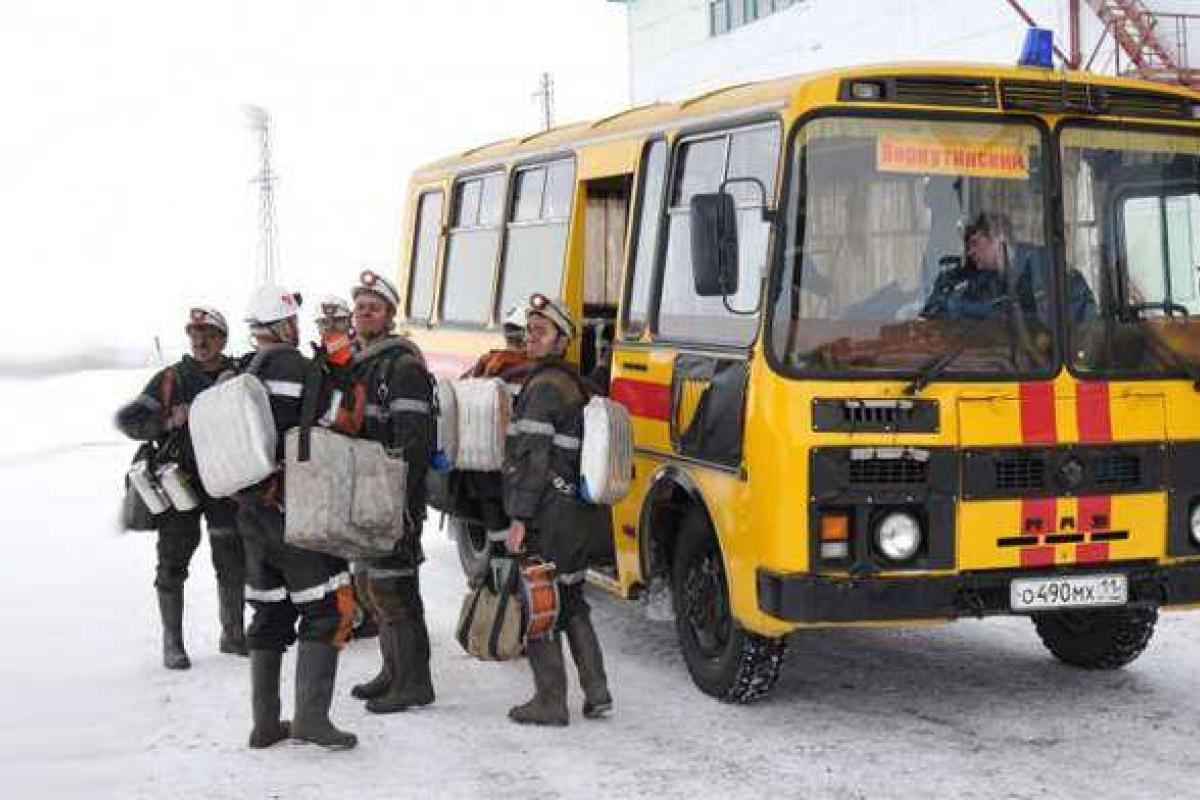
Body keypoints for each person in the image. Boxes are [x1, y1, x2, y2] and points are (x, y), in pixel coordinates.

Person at [237, 285, 357, 750]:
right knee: (325, 609)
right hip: (295, 511)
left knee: (268, 614)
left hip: (250, 513)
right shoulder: (300, 368)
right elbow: (342, 419)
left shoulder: (241, 372)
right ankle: (311, 720)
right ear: (286, 324)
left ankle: (265, 725)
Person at [115, 306, 247, 669]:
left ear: (223, 339)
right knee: (172, 564)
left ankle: (233, 634)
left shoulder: (240, 376)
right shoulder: (170, 379)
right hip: (179, 486)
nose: (201, 341)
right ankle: (172, 644)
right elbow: (129, 421)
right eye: (195, 334)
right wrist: (166, 420)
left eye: (209, 335)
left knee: (232, 562)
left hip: (225, 483)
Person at [503, 293, 612, 726]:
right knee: (570, 597)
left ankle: (549, 702)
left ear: (562, 340)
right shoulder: (579, 383)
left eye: (541, 331)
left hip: (548, 512)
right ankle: (597, 689)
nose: (531, 338)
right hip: (579, 513)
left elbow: (532, 461)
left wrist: (518, 518)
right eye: (529, 330)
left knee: (539, 601)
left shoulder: (544, 386)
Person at [344, 270, 437, 715]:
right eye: (360, 305)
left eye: (373, 307)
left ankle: (414, 682)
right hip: (365, 492)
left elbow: (414, 441)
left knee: (395, 586)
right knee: (371, 582)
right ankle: (391, 671)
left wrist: (399, 499)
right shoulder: (361, 362)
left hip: (393, 495)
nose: (364, 312)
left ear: (389, 315)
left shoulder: (403, 366)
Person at [314, 294, 379, 641]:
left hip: (355, 460)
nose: (330, 329)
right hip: (325, 465)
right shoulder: (316, 360)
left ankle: (360, 614)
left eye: (337, 322)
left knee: (357, 546)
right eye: (324, 324)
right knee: (332, 548)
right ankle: (346, 614)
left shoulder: (361, 361)